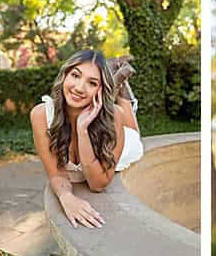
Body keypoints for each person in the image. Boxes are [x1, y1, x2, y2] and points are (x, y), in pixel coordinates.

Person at [29, 50, 145, 229]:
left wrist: (82, 130)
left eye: (92, 83)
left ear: (100, 90)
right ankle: (116, 81)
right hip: (104, 117)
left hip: (121, 140)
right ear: (64, 75)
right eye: (75, 75)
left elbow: (97, 184)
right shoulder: (41, 115)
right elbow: (57, 174)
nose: (79, 88)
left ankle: (122, 90)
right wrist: (67, 197)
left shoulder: (114, 118)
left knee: (134, 135)